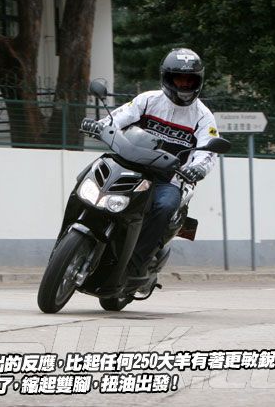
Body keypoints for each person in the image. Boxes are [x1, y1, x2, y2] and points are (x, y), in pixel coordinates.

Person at [86, 48, 220, 292]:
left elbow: (208, 151)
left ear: (198, 81)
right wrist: (99, 126)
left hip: (170, 179)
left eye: (189, 80)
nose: (184, 85)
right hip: (131, 165)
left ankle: (136, 266)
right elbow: (119, 117)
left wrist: (197, 169)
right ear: (167, 78)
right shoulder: (147, 100)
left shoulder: (203, 117)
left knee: (165, 206)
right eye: (178, 78)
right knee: (93, 176)